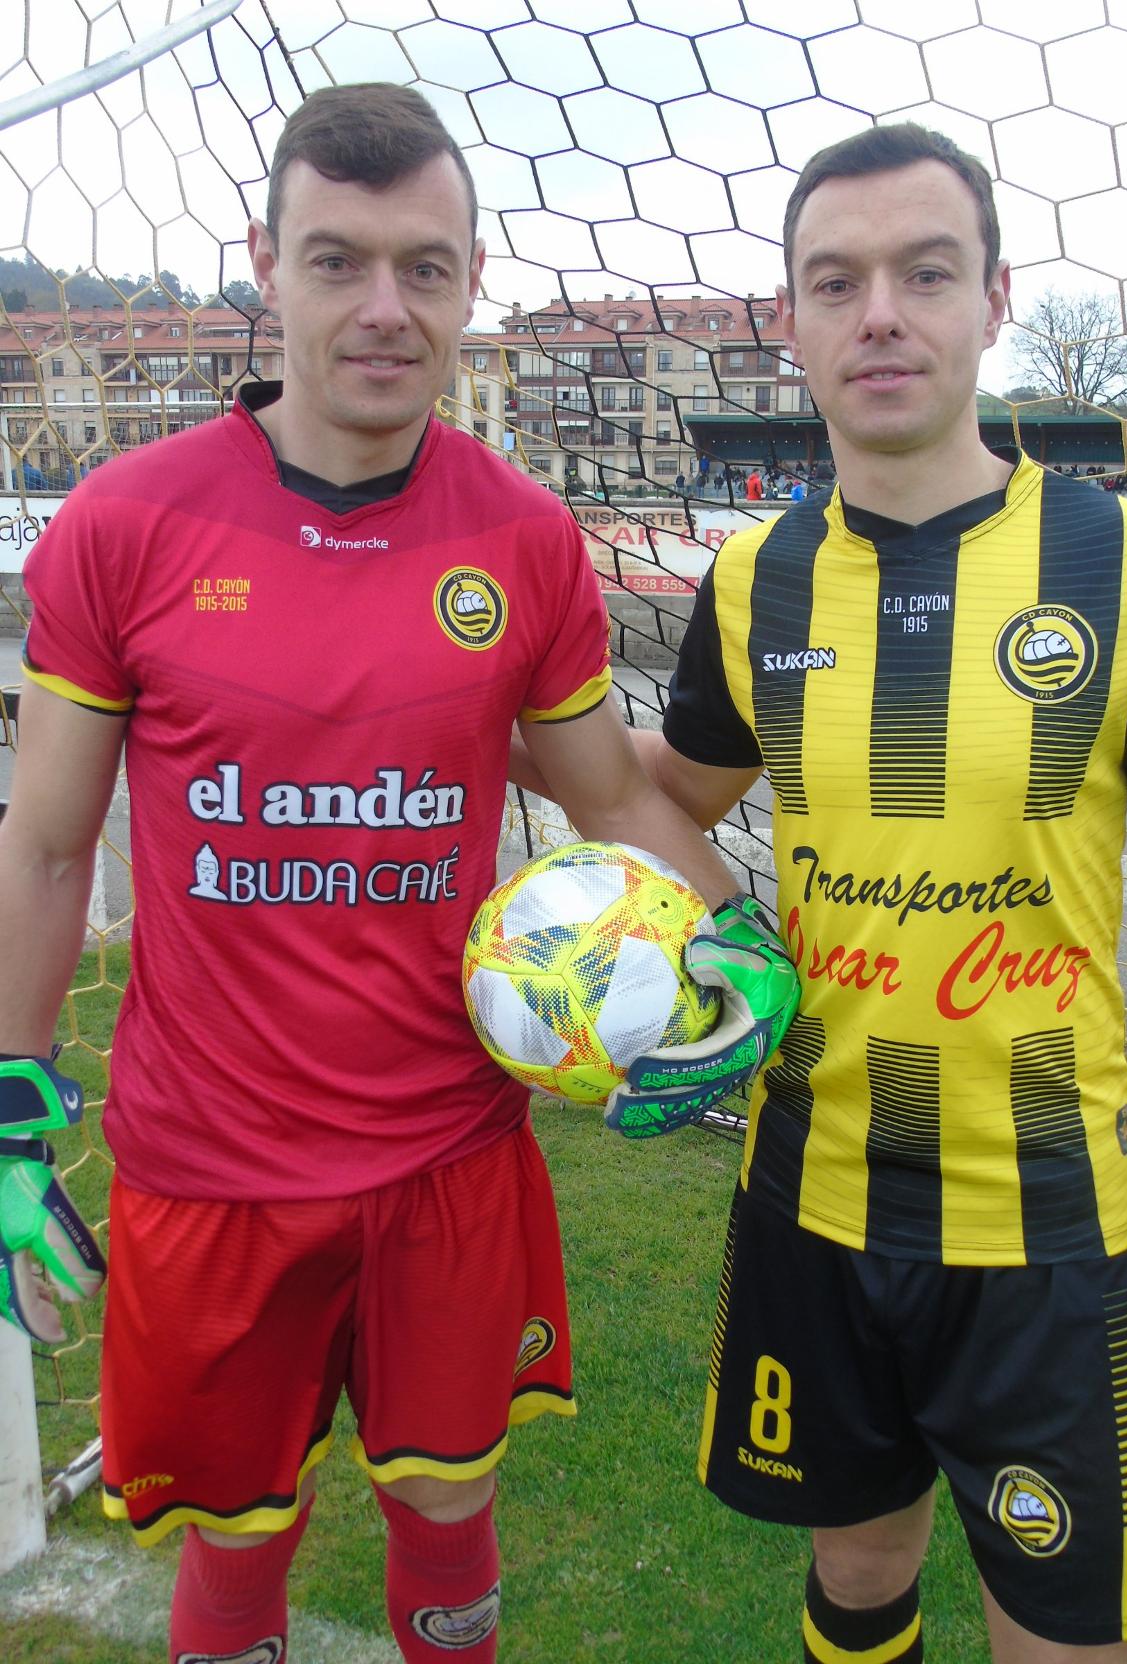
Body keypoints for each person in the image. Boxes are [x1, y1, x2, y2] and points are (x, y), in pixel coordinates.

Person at [0, 82, 799, 1664]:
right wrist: (12, 1091)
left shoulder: (520, 539)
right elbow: (43, 839)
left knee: (449, 1503)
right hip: (209, 1160)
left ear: (472, 280)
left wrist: (743, 935)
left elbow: (607, 798)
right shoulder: (121, 525)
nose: (384, 308)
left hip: (449, 1147)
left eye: (424, 268)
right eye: (339, 261)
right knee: (239, 1529)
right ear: (265, 264)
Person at [610, 123, 1127, 1661]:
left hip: (1047, 1223)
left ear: (995, 299)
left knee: (1061, 1635)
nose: (879, 311)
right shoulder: (754, 576)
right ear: (790, 321)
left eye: (922, 272)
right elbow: (668, 793)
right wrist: (504, 703)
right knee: (855, 1574)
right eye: (837, 280)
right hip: (810, 1194)